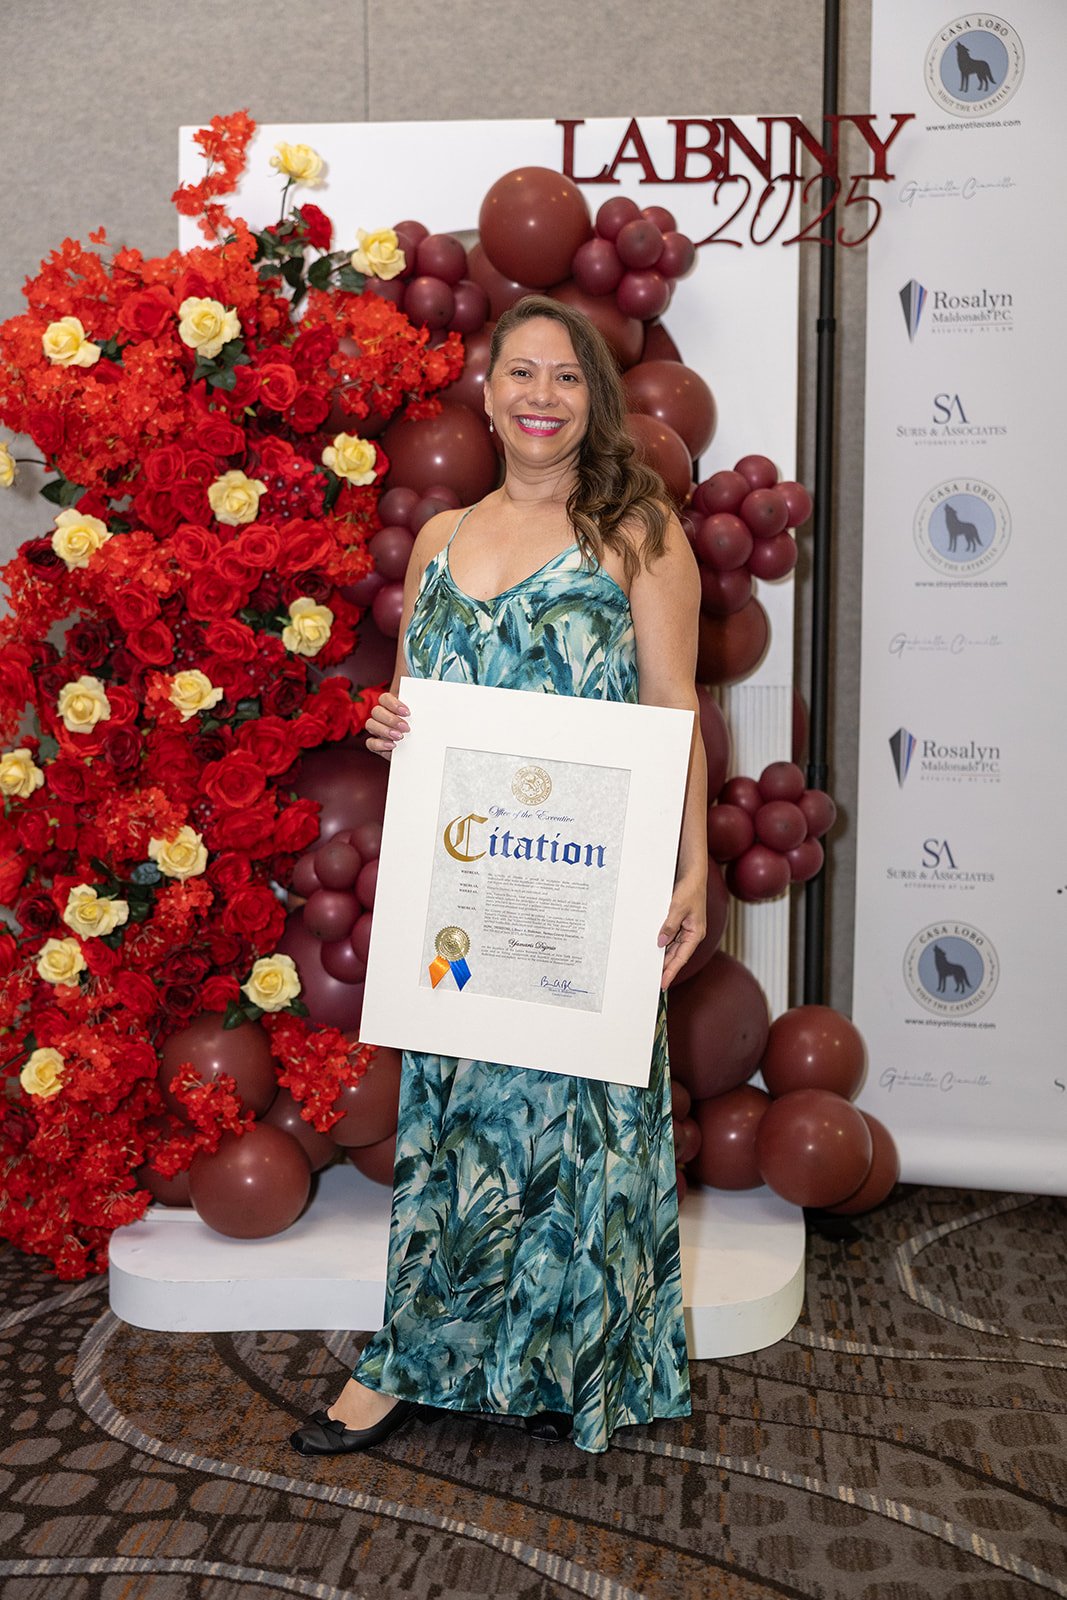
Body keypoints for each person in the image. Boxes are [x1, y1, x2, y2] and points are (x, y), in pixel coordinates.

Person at [290, 294, 707, 1457]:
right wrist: (389, 724)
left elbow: (674, 709)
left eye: (564, 378)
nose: (538, 396)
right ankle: (409, 1357)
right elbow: (432, 711)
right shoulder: (439, 540)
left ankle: (570, 1358)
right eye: (518, 373)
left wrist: (696, 870)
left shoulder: (639, 533)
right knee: (458, 1116)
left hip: (587, 881)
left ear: (594, 400)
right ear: (486, 394)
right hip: (468, 888)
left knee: (577, 1112)